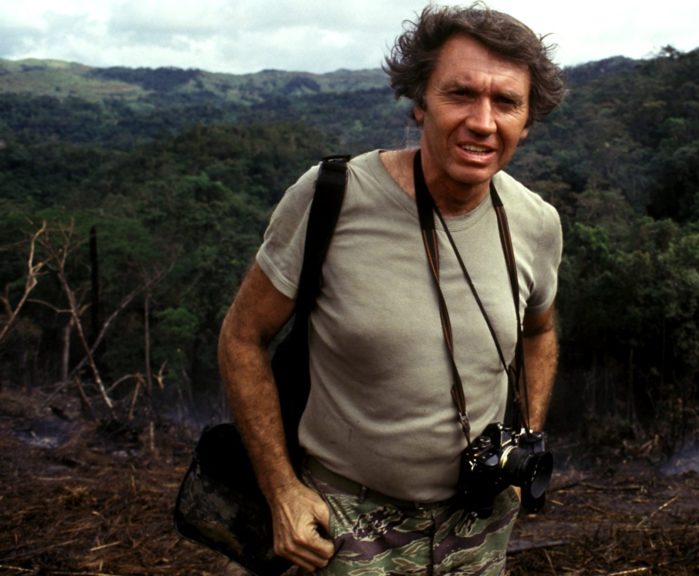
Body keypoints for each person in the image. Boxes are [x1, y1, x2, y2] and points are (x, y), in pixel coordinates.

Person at [217, 4, 566, 574]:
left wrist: (524, 440)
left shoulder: (536, 222)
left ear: (527, 121)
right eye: (460, 94)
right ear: (419, 102)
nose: (483, 121)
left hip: (478, 521)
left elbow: (541, 330)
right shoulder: (333, 196)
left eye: (506, 103)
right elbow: (241, 337)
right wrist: (281, 488)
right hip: (346, 520)